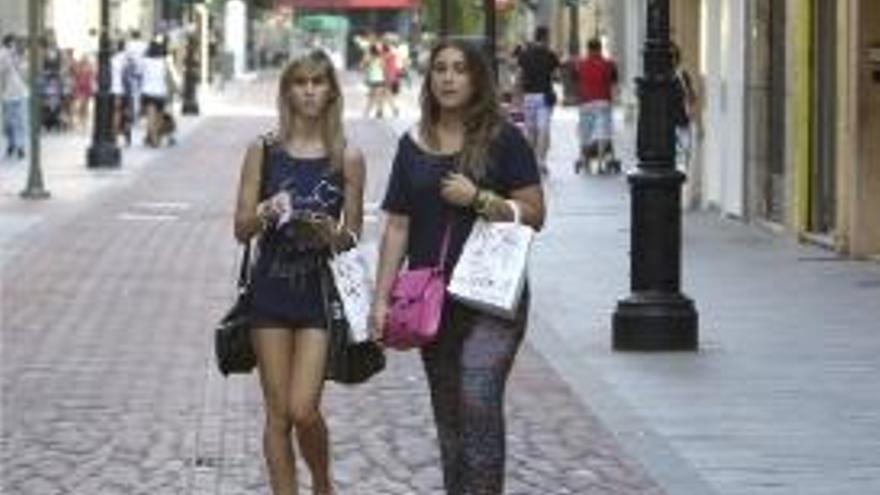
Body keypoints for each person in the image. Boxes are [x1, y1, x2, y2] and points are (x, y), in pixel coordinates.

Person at [370, 39, 545, 495]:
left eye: (460, 69)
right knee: (450, 419)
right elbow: (397, 227)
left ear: (477, 79)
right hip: (434, 301)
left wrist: (481, 199)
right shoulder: (412, 145)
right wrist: (380, 300)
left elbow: (535, 212)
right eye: (440, 69)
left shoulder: (504, 139)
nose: (448, 78)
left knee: (478, 398)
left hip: (493, 299)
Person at [233, 50, 365, 495]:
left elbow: (354, 236)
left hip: (318, 296)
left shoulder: (348, 156)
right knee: (278, 414)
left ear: (331, 92)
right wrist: (266, 211)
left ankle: (323, 481)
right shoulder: (263, 150)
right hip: (269, 291)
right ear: (287, 91)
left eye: (318, 82)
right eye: (300, 82)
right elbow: (240, 229)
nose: (309, 90)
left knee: (304, 409)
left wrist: (333, 233)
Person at [516, 26, 560, 175]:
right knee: (543, 129)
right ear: (546, 37)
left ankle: (529, 161)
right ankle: (540, 161)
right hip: (544, 96)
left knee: (530, 131)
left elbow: (519, 77)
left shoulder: (525, 54)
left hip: (528, 96)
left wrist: (517, 97)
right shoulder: (550, 55)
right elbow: (555, 75)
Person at [574, 38, 619, 174]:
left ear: (588, 49)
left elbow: (577, 82)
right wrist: (614, 99)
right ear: (600, 49)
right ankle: (600, 163)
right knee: (603, 134)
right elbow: (614, 84)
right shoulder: (609, 64)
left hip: (585, 102)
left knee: (585, 133)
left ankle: (585, 161)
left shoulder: (580, 64)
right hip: (603, 101)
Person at [0, 34, 28, 160]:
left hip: (21, 92)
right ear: (8, 43)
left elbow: (25, 71)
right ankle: (11, 144)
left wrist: (19, 59)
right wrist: (8, 57)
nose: (14, 45)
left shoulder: (20, 56)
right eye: (13, 43)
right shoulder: (2, 55)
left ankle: (20, 146)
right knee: (9, 123)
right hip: (7, 95)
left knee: (21, 121)